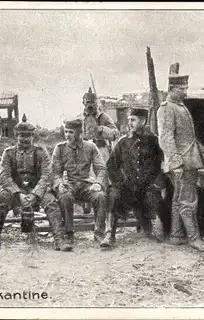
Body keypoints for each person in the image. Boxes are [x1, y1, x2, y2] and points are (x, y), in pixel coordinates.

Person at [0, 114, 64, 251]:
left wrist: (35, 195)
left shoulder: (41, 152)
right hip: (15, 191)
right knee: (0, 202)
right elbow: (4, 176)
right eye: (22, 136)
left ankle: (59, 239)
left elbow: (46, 175)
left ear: (33, 136)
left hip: (37, 190)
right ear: (16, 136)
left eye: (28, 136)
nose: (25, 139)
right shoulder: (8, 153)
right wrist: (18, 194)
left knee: (52, 203)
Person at [156, 74, 204, 252]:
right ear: (172, 88)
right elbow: (166, 139)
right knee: (188, 200)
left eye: (186, 88)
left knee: (177, 199)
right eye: (182, 88)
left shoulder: (179, 106)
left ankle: (176, 235)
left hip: (188, 159)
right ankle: (194, 239)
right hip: (183, 163)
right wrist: (177, 163)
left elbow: (187, 137)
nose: (186, 91)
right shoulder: (166, 109)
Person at [102, 108, 166, 247]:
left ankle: (153, 229)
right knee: (113, 194)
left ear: (142, 121)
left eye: (133, 120)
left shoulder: (154, 141)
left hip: (148, 188)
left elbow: (163, 165)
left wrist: (156, 183)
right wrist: (120, 182)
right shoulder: (123, 142)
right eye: (128, 119)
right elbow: (111, 166)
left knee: (156, 203)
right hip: (128, 188)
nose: (129, 123)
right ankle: (109, 235)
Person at [51, 119, 107, 248]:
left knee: (100, 196)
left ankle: (99, 233)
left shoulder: (91, 147)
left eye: (71, 132)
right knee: (64, 197)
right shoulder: (60, 148)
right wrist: (59, 184)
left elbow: (101, 168)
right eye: (66, 131)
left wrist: (98, 182)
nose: (67, 135)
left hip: (86, 184)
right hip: (69, 184)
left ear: (79, 133)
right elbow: (55, 172)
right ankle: (69, 234)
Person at [81, 87, 120, 214]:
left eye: (92, 103)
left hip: (102, 150)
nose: (90, 105)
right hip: (85, 150)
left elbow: (115, 133)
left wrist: (102, 129)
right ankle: (88, 207)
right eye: (87, 102)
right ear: (83, 103)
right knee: (87, 177)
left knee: (102, 177)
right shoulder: (80, 118)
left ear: (97, 103)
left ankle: (106, 209)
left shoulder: (104, 117)